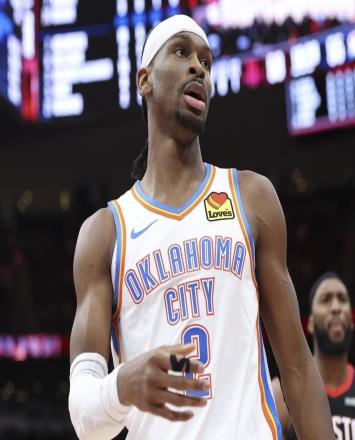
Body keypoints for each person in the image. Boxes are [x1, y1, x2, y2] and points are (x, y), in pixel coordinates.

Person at [68, 14, 334, 440]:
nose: (198, 67)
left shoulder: (251, 197)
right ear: (144, 80)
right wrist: (123, 385)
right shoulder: (105, 233)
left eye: (206, 62)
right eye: (181, 52)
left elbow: (298, 369)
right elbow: (84, 418)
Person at [272, 272, 355, 440]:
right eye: (326, 300)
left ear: (352, 321)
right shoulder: (280, 393)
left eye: (342, 299)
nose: (336, 307)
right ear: (310, 323)